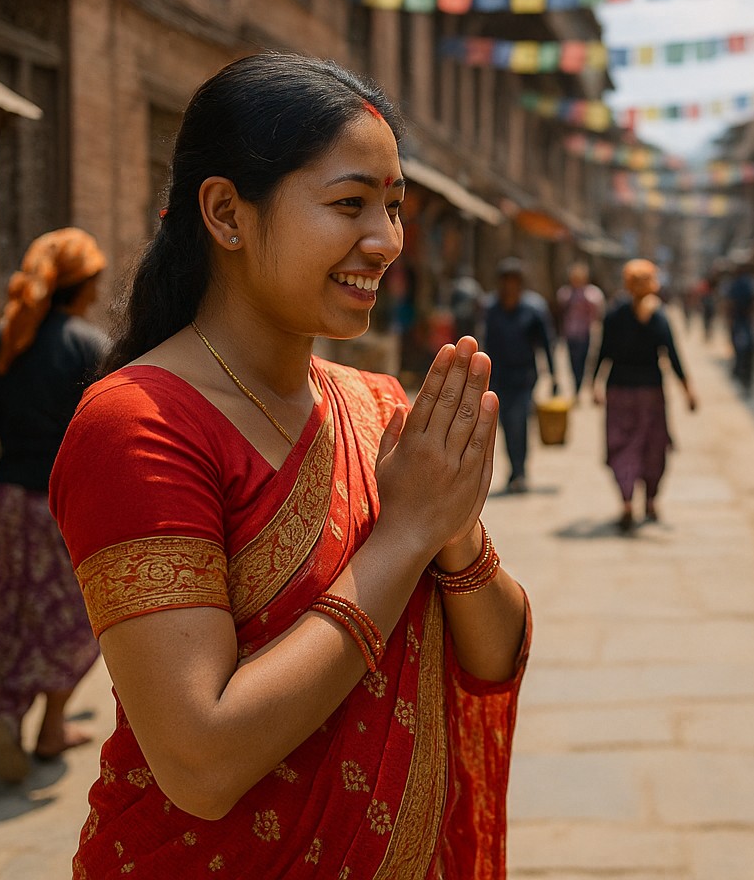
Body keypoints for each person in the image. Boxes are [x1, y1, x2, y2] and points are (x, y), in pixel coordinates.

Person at [48, 53, 529, 879]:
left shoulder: (378, 406)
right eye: (349, 204)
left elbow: (495, 656)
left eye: (392, 206)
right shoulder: (137, 425)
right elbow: (202, 761)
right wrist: (404, 534)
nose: (385, 242)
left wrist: (452, 532)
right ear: (227, 214)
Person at [0, 227, 108, 784]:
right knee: (75, 614)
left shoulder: (7, 339)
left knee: (14, 604)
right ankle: (51, 724)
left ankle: (6, 712)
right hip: (62, 504)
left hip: (10, 502)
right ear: (84, 284)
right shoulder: (88, 347)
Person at [589, 259, 697, 533]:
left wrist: (594, 384)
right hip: (650, 394)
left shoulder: (614, 315)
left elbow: (603, 352)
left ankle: (627, 502)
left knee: (622, 445)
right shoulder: (659, 317)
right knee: (653, 446)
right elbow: (672, 355)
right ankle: (649, 501)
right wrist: (688, 390)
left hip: (619, 392)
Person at [481, 256, 559, 494]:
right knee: (506, 424)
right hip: (499, 378)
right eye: (505, 281)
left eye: (514, 281)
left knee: (519, 422)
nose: (509, 286)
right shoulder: (491, 310)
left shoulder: (534, 309)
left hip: (524, 378)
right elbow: (485, 343)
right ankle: (514, 470)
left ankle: (520, 471)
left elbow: (547, 343)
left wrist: (555, 376)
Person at [555, 261, 605, 400]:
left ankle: (579, 387)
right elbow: (561, 312)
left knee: (583, 362)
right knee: (572, 362)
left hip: (584, 333)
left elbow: (597, 313)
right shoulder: (565, 293)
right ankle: (576, 387)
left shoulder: (592, 294)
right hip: (570, 333)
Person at [723, 262, 754, 393]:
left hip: (741, 322)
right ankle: (744, 377)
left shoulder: (737, 285)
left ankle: (742, 375)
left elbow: (729, 304)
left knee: (741, 349)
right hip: (744, 321)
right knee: (745, 349)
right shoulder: (747, 283)